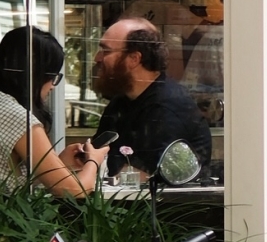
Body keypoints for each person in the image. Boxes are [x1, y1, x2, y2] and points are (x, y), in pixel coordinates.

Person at [0, 26, 105, 196]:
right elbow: (75, 191)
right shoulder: (17, 117)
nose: (52, 86)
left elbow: (4, 177)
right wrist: (93, 161)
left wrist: (59, 164)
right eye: (53, 76)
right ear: (37, 75)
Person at [90, 17, 214, 177]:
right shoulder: (121, 102)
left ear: (134, 59)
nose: (97, 58)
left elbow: (148, 177)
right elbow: (98, 153)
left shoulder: (168, 107)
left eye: (106, 51)